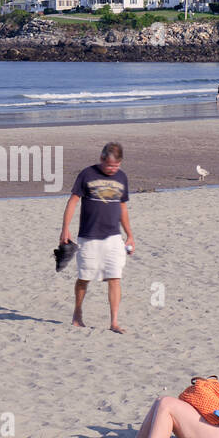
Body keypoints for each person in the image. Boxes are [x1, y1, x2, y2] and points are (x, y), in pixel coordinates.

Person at [60, 142, 133, 333]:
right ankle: (77, 313)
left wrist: (130, 235)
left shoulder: (122, 177)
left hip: (113, 237)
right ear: (101, 159)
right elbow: (73, 201)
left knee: (115, 277)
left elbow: (123, 207)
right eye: (109, 165)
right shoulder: (87, 174)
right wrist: (65, 229)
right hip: (89, 237)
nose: (112, 169)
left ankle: (114, 322)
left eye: (116, 166)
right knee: (84, 277)